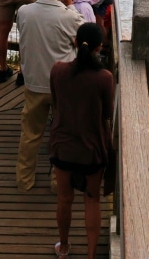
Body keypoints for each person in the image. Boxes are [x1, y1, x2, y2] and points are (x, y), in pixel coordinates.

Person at [15, 0, 84, 192]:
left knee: (30, 134)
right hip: (62, 84)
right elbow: (85, 35)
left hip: (34, 82)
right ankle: (58, 183)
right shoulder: (69, 16)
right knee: (62, 134)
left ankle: (24, 181)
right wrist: (70, 4)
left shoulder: (24, 11)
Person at [49, 23, 114, 259]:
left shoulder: (57, 70)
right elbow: (107, 113)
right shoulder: (104, 78)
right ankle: (91, 255)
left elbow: (56, 103)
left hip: (63, 146)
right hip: (92, 149)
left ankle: (64, 247)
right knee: (92, 200)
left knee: (64, 199)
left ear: (75, 43)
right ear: (99, 48)